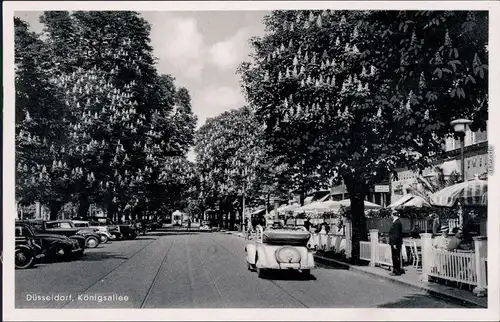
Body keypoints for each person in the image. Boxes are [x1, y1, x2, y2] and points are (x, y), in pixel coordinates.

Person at [388, 210, 404, 276]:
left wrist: (394, 243)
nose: (391, 216)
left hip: (396, 243)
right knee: (395, 256)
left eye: (392, 215)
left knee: (395, 257)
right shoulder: (396, 222)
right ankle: (396, 270)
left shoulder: (397, 223)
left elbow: (396, 234)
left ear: (393, 215)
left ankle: (396, 271)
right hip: (395, 243)